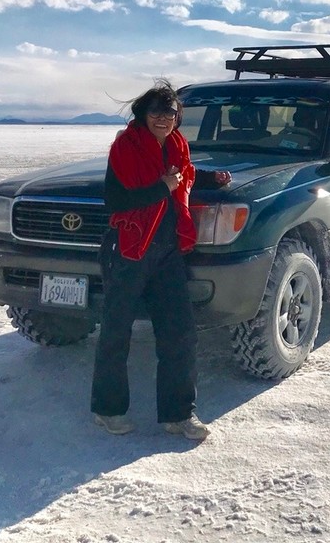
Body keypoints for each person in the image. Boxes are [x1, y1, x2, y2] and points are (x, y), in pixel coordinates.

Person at [90, 80, 210, 440]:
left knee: (179, 332)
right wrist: (163, 188)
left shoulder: (176, 147)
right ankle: (108, 409)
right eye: (156, 111)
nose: (163, 118)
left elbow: (182, 176)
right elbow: (116, 201)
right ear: (143, 114)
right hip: (129, 250)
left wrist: (211, 179)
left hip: (167, 252)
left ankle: (179, 414)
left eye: (170, 112)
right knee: (116, 332)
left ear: (178, 118)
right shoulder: (125, 148)